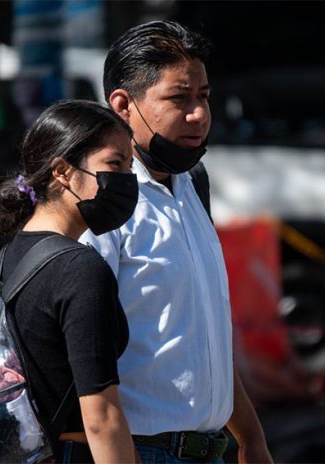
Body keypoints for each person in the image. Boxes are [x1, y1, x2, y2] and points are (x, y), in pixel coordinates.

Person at [81, 21, 273, 463]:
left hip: (211, 450)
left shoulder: (192, 184)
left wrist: (251, 438)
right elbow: (85, 362)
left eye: (203, 96)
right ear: (124, 105)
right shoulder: (100, 202)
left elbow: (203, 334)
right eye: (178, 98)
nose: (199, 114)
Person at [0, 100, 139, 463]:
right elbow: (101, 417)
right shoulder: (80, 268)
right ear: (62, 172)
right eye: (115, 164)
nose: (128, 181)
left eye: (130, 166)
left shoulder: (7, 259)